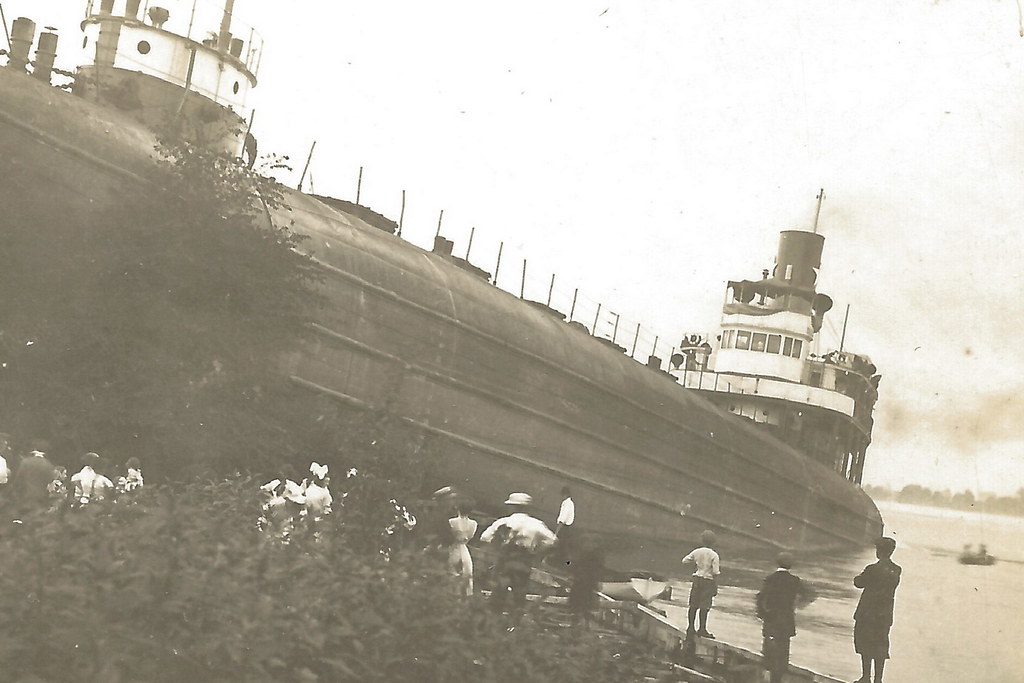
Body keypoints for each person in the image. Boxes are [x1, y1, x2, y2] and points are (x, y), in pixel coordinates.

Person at [480, 492, 557, 620]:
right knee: (519, 595)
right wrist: (537, 551)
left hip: (505, 560)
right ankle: (515, 625)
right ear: (527, 508)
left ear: (513, 507)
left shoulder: (504, 521)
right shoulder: (536, 524)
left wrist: (498, 548)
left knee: (499, 593)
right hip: (524, 561)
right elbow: (553, 541)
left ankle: (493, 623)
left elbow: (484, 537)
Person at [756, 552, 817, 683]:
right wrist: (798, 605)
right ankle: (779, 676)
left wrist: (761, 613)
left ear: (777, 562)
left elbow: (761, 597)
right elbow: (811, 594)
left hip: (771, 617)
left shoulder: (770, 578)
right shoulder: (795, 580)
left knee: (769, 646)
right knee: (784, 647)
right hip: (787, 618)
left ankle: (769, 673)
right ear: (791, 565)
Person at [853, 537, 901, 683]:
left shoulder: (872, 569)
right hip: (884, 615)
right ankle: (878, 679)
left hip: (868, 613)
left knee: (865, 643)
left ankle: (866, 677)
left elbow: (858, 583)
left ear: (879, 551)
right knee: (880, 645)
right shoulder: (897, 570)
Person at [681, 529, 720, 638]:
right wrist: (715, 587)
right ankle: (702, 629)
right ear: (713, 542)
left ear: (702, 540)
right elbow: (715, 572)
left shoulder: (696, 552)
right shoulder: (714, 555)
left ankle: (691, 627)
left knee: (693, 604)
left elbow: (685, 561)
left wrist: (695, 566)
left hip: (697, 579)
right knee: (705, 606)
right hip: (708, 581)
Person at [447, 499, 478, 596]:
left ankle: (453, 595)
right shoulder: (473, 524)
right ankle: (466, 595)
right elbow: (470, 537)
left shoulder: (451, 522)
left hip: (454, 548)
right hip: (465, 549)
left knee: (452, 572)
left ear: (458, 508)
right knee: (467, 573)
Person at [552, 485, 576, 566]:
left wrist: (556, 532)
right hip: (567, 528)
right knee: (563, 545)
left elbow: (563, 518)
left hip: (564, 528)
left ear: (565, 494)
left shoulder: (566, 503)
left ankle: (564, 563)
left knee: (560, 545)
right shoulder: (571, 503)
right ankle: (564, 563)